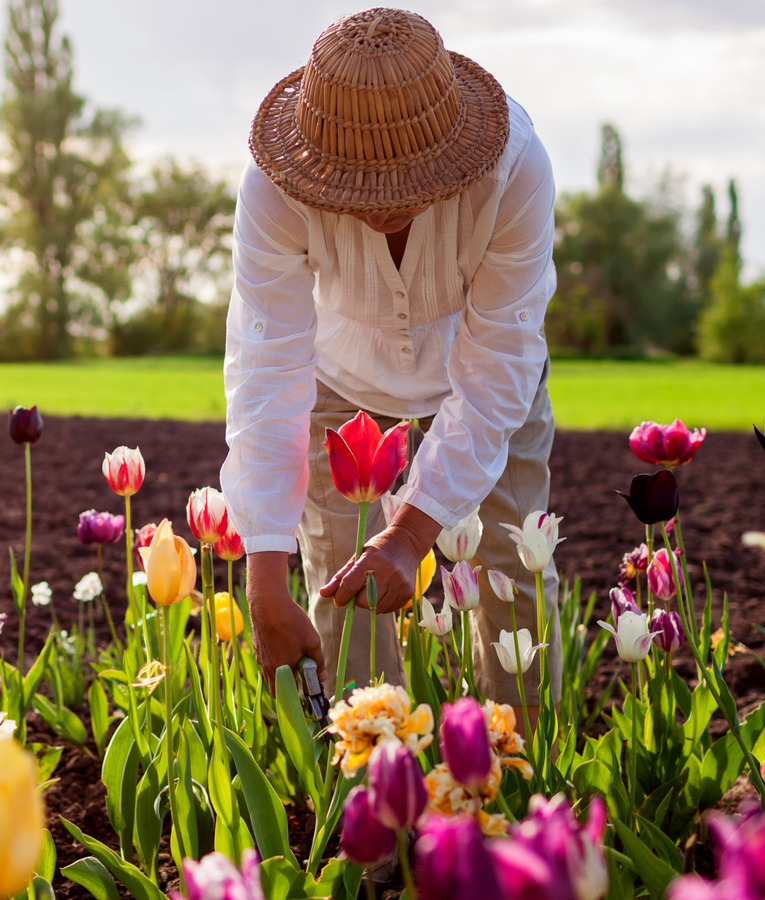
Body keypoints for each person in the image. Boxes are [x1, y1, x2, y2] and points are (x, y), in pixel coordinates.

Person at [221, 8, 560, 720]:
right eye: (355, 187)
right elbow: (266, 369)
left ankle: (526, 776)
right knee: (345, 586)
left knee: (512, 570)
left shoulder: (515, 169)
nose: (378, 208)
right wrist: (264, 580)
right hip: (339, 377)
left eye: (404, 184)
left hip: (486, 376)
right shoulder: (274, 188)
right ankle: (377, 777)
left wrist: (410, 536)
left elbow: (499, 361)